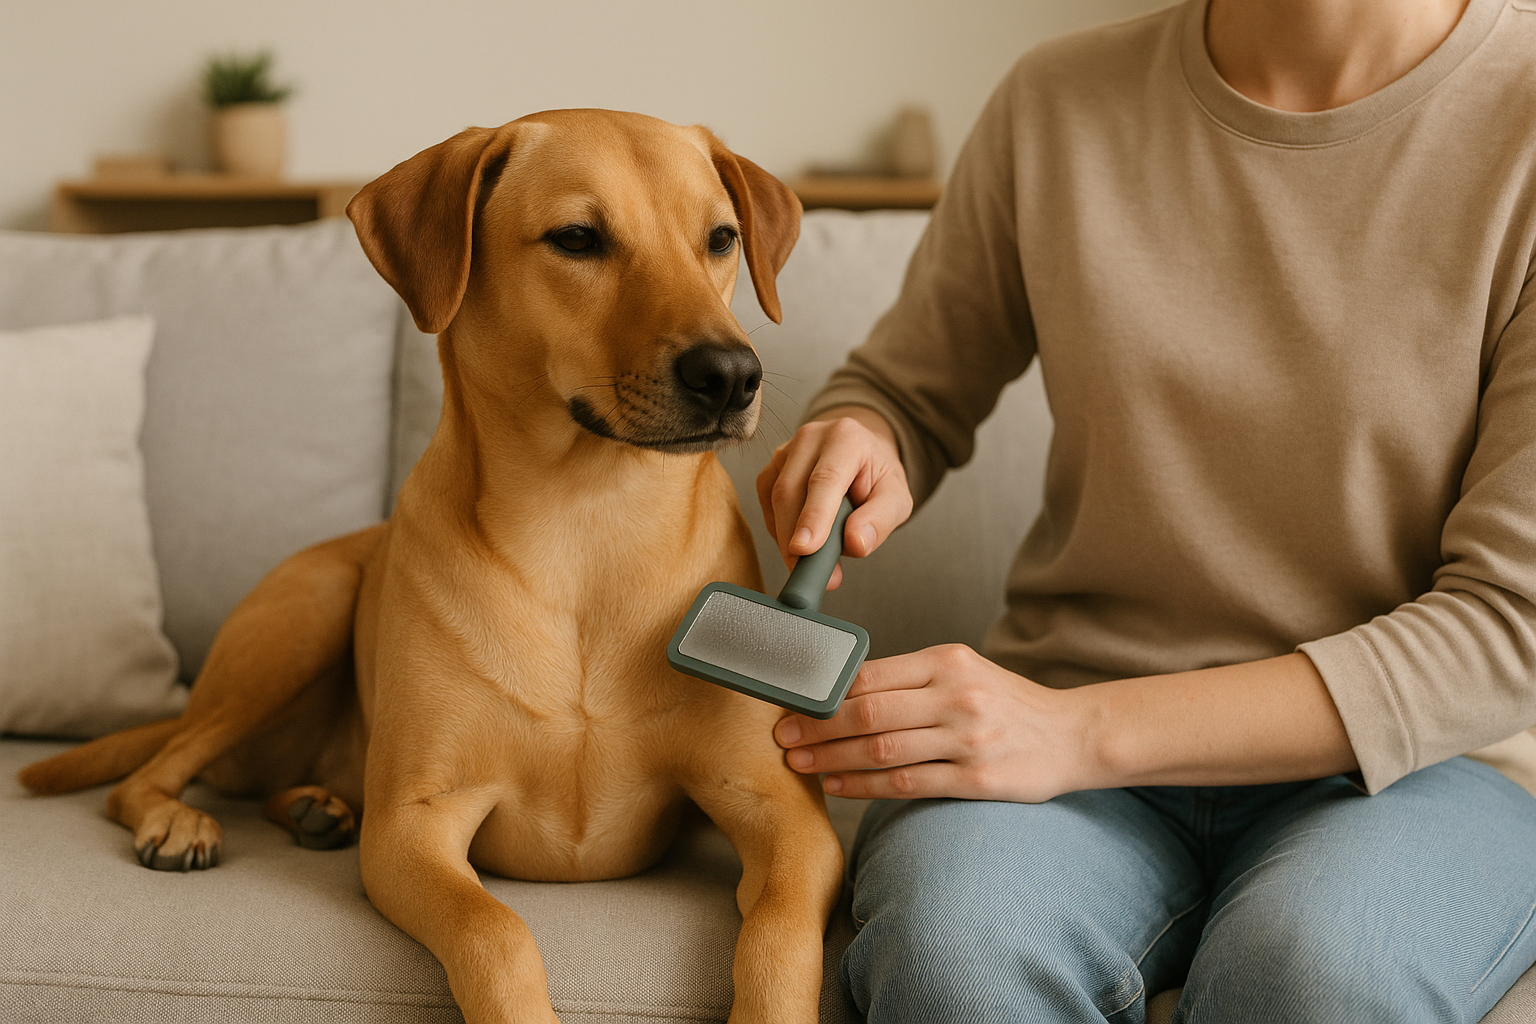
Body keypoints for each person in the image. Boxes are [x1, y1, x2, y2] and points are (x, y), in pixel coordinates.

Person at [755, 0, 1536, 1020]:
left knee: (1316, 976)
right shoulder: (1057, 103)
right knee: (960, 955)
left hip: (1411, 772)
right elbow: (905, 389)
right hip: (1066, 747)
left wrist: (1075, 732)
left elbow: (1505, 626)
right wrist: (864, 432)